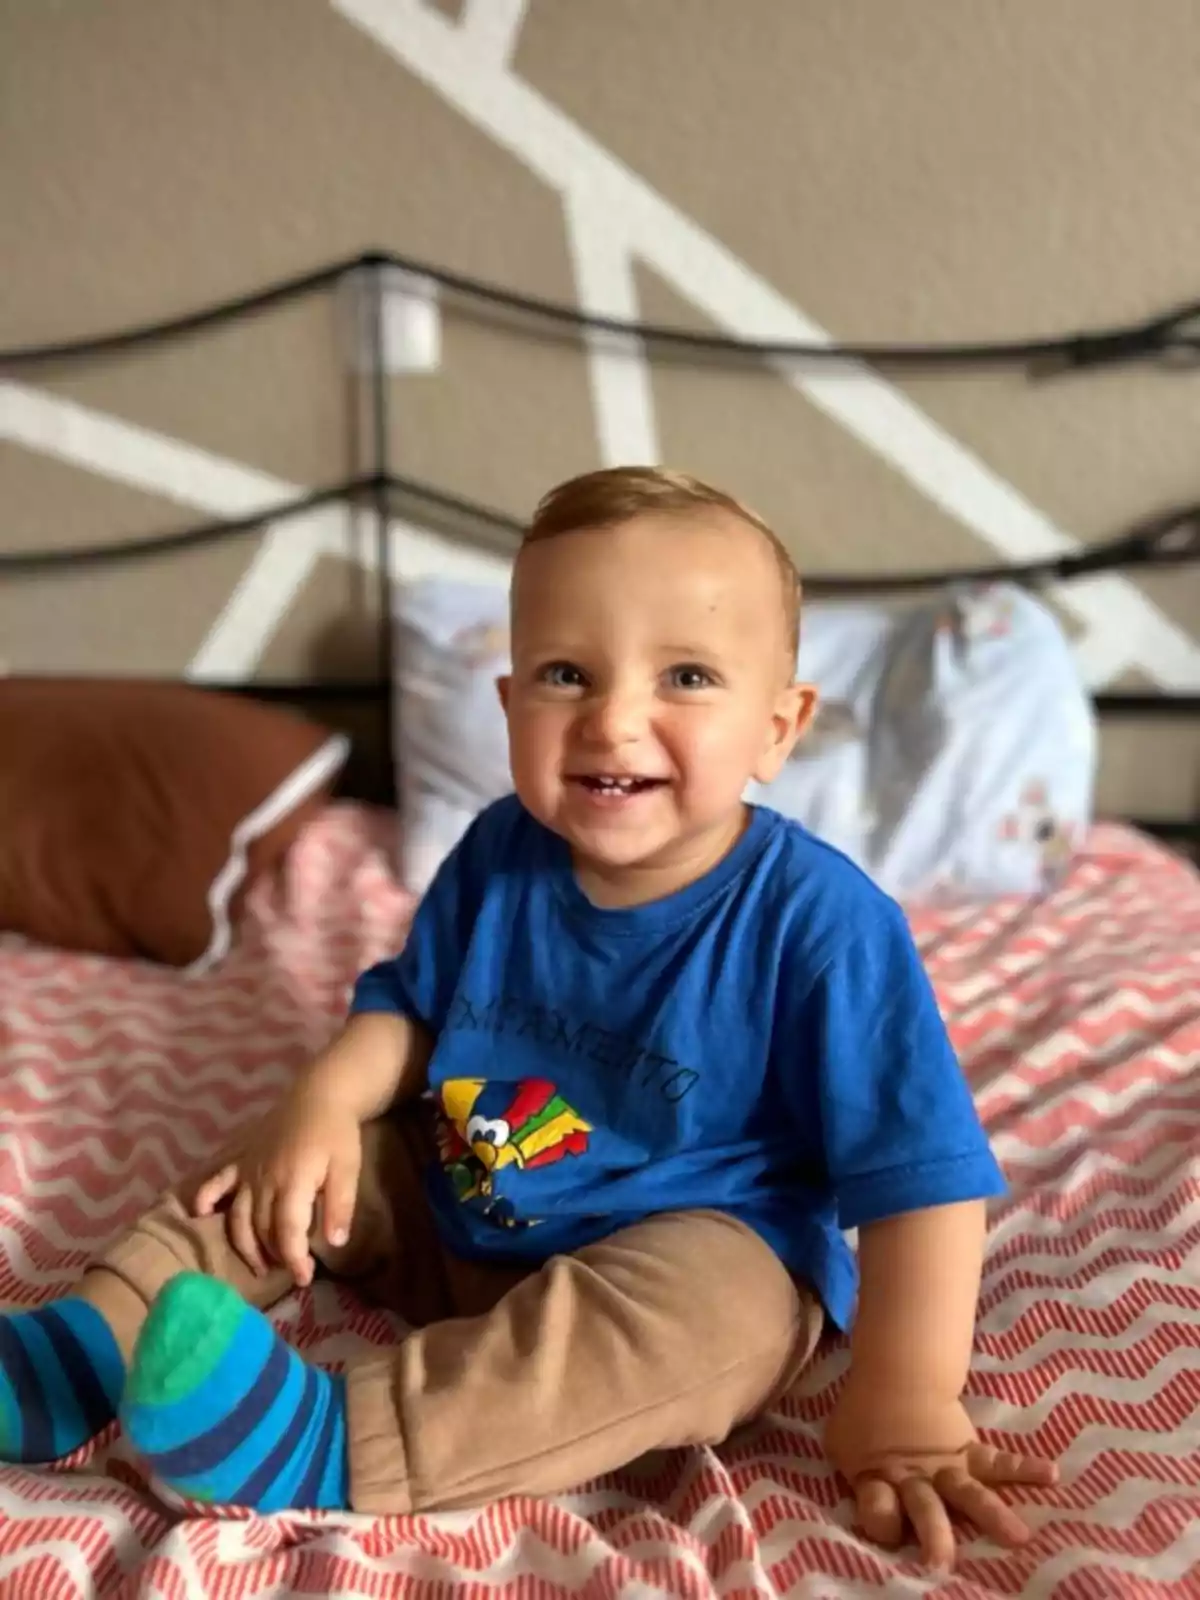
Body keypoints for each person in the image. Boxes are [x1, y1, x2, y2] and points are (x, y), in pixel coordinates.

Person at [0, 467, 1058, 1570]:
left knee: (722, 1317)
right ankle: (81, 1352)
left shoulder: (823, 923)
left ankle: (322, 1438)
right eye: (566, 673)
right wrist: (317, 1103)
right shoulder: (502, 850)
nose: (614, 720)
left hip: (689, 1233)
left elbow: (925, 1181)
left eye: (687, 675)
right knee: (282, 1160)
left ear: (778, 727)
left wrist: (906, 1400)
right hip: (460, 1187)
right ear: (510, 707)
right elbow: (410, 1009)